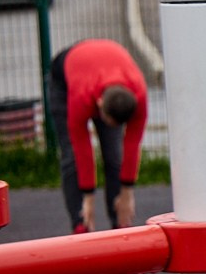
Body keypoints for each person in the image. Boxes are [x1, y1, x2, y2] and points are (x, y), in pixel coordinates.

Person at [46, 38, 149, 234]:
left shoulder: (138, 96)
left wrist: (127, 192)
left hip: (109, 79)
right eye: (109, 121)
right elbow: (81, 146)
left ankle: (120, 224)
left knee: (114, 155)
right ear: (100, 105)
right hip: (66, 82)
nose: (111, 126)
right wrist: (88, 198)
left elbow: (132, 143)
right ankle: (81, 224)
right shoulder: (82, 97)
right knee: (71, 157)